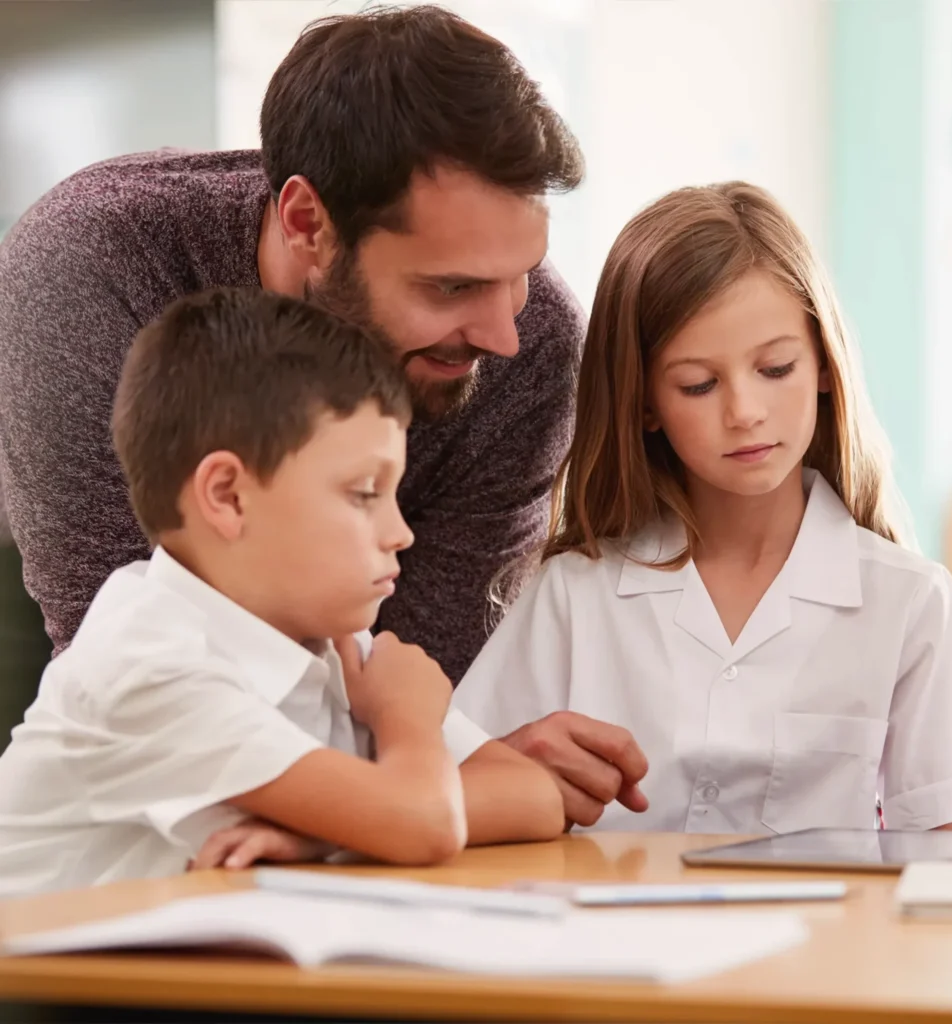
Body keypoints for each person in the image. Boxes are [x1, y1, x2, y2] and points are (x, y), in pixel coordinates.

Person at [0, 5, 651, 827]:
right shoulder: (92, 264)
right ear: (307, 223)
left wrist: (384, 794)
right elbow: (344, 766)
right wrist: (396, 793)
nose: (502, 336)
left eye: (518, 274)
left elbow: (384, 700)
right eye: (448, 287)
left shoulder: (535, 342)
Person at [0, 289, 564, 896]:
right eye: (363, 492)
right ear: (228, 496)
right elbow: (426, 822)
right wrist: (407, 723)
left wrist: (329, 831)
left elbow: (535, 797)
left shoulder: (329, 641)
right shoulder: (148, 663)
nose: (401, 533)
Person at [453, 181, 952, 835]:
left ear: (824, 366)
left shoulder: (909, 603)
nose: (744, 413)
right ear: (642, 403)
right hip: (604, 935)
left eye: (775, 369)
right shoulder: (574, 593)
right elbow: (455, 789)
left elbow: (942, 861)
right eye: (697, 384)